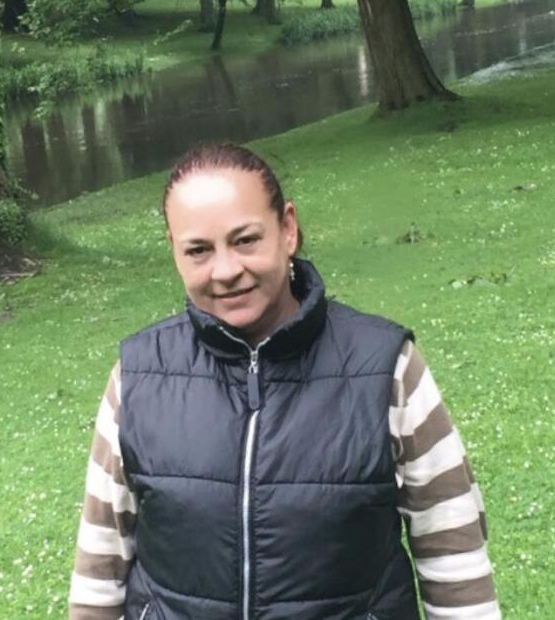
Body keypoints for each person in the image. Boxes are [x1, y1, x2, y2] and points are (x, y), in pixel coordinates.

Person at [68, 143, 501, 620]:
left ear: (287, 229)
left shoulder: (387, 368)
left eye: (245, 240)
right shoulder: (136, 378)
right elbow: (100, 567)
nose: (226, 271)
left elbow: (453, 547)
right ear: (174, 250)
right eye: (198, 250)